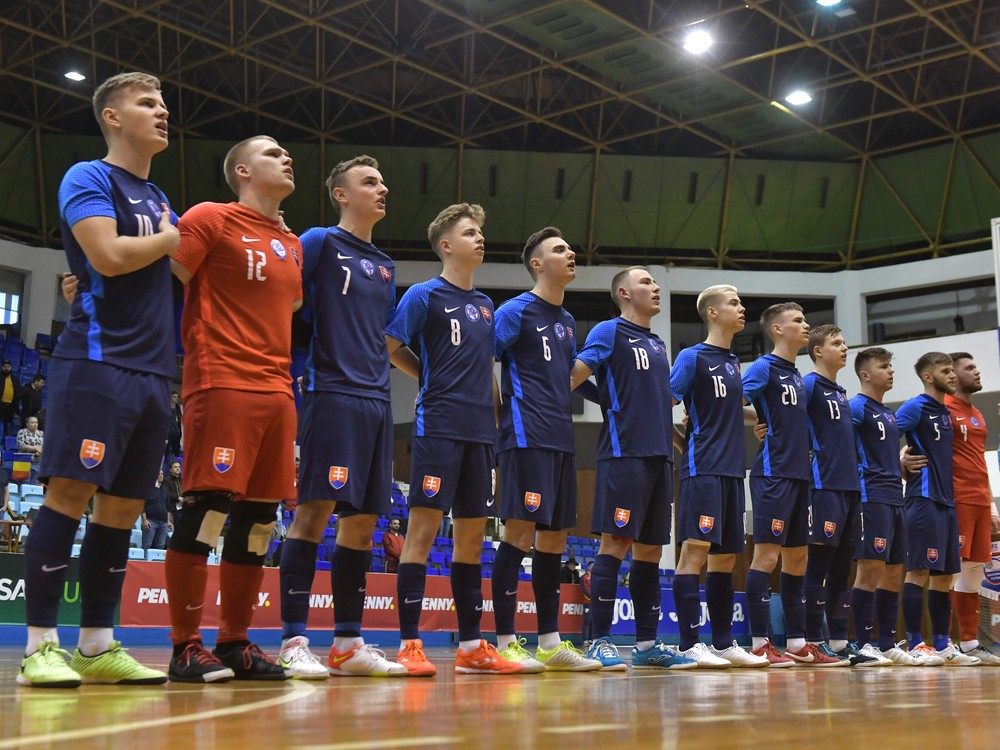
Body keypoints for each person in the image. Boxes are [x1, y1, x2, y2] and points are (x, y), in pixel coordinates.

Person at [20, 71, 176, 688]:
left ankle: (97, 645)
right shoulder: (89, 177)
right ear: (112, 117)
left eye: (163, 103)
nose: (161, 112)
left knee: (124, 511)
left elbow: (184, 275)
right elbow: (108, 257)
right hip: (96, 362)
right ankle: (39, 647)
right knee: (68, 497)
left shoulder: (162, 197)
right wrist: (170, 239)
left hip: (153, 373)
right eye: (146, 103)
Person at [164, 135, 301, 683]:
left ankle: (235, 643)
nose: (285, 156)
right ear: (242, 169)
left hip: (279, 391)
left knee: (259, 522)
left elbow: (287, 306)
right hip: (221, 381)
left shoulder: (292, 242)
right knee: (207, 511)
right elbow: (164, 276)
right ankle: (184, 646)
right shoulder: (210, 217)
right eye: (272, 152)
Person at [276, 155, 407, 678]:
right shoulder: (318, 243)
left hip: (377, 401)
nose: (383, 189)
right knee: (313, 513)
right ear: (340, 194)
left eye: (382, 181)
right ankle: (291, 641)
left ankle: (347, 643)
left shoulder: (385, 265)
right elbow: (285, 305)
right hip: (330, 392)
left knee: (363, 523)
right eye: (370, 182)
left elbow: (381, 338)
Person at [386, 203, 522, 676]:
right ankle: (409, 643)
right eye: (470, 233)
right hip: (438, 426)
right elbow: (389, 345)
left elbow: (486, 367)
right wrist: (429, 377)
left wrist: (498, 421)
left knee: (471, 540)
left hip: (480, 434)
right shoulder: (424, 295)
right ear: (446, 245)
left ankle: (470, 647)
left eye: (480, 233)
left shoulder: (487, 306)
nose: (479, 239)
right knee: (420, 535)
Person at [572, 267, 695, 672]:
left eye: (655, 283)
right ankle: (599, 640)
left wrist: (680, 443)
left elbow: (660, 403)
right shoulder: (609, 331)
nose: (655, 287)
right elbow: (574, 374)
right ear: (624, 293)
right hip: (623, 456)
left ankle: (646, 645)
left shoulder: (658, 344)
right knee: (615, 545)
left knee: (651, 551)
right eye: (646, 283)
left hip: (661, 460)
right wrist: (603, 398)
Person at [490, 226, 601, 672]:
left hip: (560, 439)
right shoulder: (514, 310)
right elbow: (483, 358)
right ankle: (503, 641)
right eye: (559, 249)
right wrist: (498, 416)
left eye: (570, 247)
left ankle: (551, 643)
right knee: (519, 535)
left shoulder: (568, 321)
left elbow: (571, 378)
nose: (570, 253)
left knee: (554, 539)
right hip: (524, 437)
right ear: (537, 264)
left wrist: (620, 400)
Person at [670, 285, 768, 668]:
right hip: (703, 471)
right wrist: (684, 447)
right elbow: (662, 402)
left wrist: (763, 418)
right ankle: (687, 644)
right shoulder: (692, 358)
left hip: (731, 472)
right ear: (712, 312)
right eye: (734, 303)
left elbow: (729, 409)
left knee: (726, 560)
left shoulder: (733, 363)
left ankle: (724, 644)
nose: (742, 309)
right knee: (695, 553)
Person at [742, 303, 845, 666]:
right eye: (798, 321)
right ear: (777, 330)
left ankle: (798, 644)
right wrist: (760, 422)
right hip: (773, 475)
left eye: (805, 319)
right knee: (766, 556)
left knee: (798, 558)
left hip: (802, 477)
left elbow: (780, 413)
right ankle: (758, 644)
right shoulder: (763, 367)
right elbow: (730, 401)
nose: (806, 325)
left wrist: (765, 419)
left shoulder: (797, 374)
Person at [848, 348, 940, 666]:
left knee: (892, 573)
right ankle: (863, 643)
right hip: (870, 497)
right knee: (870, 570)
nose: (890, 371)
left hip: (895, 498)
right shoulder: (856, 408)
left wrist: (900, 462)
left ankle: (887, 643)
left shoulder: (888, 412)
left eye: (890, 366)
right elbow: (839, 448)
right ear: (865, 374)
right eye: (883, 366)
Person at [801, 326, 888, 666]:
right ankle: (812, 640)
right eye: (836, 343)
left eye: (844, 341)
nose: (844, 347)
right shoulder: (808, 384)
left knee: (841, 570)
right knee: (819, 566)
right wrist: (762, 425)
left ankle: (838, 643)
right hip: (823, 487)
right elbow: (782, 419)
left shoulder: (839, 392)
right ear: (818, 350)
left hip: (852, 490)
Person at [897, 352, 980, 666]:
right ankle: (917, 643)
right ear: (928, 377)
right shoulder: (914, 407)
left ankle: (944, 644)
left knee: (945, 576)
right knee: (918, 572)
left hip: (947, 504)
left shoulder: (945, 411)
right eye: (946, 371)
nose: (953, 375)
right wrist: (899, 460)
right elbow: (880, 436)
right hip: (923, 501)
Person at [945, 352, 1000, 663]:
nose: (977, 371)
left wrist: (991, 506)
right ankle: (945, 643)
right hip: (956, 500)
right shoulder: (941, 409)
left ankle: (969, 644)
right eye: (969, 368)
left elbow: (980, 463)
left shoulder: (977, 413)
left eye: (976, 366)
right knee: (950, 571)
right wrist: (902, 460)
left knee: (975, 572)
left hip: (980, 501)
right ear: (952, 374)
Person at [141, 469, 172, 552]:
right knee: (147, 545)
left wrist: (168, 521)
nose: (161, 475)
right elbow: (142, 506)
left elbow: (168, 506)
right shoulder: (148, 488)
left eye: (162, 474)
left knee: (160, 547)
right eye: (159, 473)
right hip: (151, 521)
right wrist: (144, 520)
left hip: (163, 522)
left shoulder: (165, 489)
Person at [16, 416, 44, 485]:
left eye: (36, 422)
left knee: (35, 485)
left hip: (38, 462)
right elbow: (21, 445)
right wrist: (36, 448)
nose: (35, 424)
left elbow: (45, 446)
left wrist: (39, 452)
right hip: (23, 461)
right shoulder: (22, 432)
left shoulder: (41, 433)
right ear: (27, 424)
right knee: (23, 484)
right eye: (32, 422)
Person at [0, 361, 17, 434]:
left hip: (10, 406)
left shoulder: (15, 379)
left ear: (11, 368)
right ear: (2, 367)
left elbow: (17, 393)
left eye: (8, 366)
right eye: (5, 366)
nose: (6, 368)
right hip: (1, 405)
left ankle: (5, 438)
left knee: (7, 424)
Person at [580, 561, 593, 644]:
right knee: (587, 620)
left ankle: (591, 639)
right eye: (591, 566)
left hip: (595, 602)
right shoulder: (583, 577)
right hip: (587, 601)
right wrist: (591, 596)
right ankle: (585, 639)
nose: (593, 567)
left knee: (593, 621)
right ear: (588, 567)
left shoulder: (596, 577)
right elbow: (584, 589)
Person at [166, 391, 182, 459]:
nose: (176, 399)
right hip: (168, 433)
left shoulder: (178, 408)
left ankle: (175, 463)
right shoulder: (166, 407)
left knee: (176, 451)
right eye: (174, 397)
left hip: (176, 433)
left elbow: (179, 422)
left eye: (177, 397)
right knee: (166, 450)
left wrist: (180, 433)